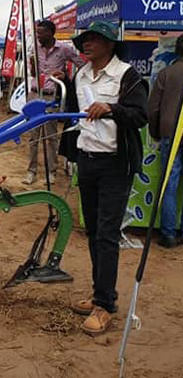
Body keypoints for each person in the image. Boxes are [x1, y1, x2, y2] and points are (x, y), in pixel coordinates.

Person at [64, 20, 148, 335]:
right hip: (87, 160)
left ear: (110, 44)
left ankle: (106, 306)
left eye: (94, 39)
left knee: (108, 234)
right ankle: (100, 292)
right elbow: (74, 116)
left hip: (115, 164)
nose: (87, 44)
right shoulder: (80, 75)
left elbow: (140, 116)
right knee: (94, 230)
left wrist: (111, 108)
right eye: (84, 40)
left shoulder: (127, 75)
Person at [23, 19, 85, 185]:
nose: (38, 35)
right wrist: (32, 67)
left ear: (51, 33)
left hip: (51, 96)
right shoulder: (35, 48)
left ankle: (51, 172)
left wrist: (66, 77)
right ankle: (31, 171)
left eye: (41, 32)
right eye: (37, 32)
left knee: (51, 136)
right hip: (35, 95)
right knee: (33, 136)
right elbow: (33, 72)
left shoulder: (64, 49)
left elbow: (82, 65)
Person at [148, 34, 183, 248]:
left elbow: (153, 109)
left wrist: (155, 132)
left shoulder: (166, 73)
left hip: (170, 132)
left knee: (170, 184)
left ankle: (168, 235)